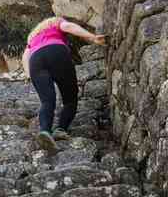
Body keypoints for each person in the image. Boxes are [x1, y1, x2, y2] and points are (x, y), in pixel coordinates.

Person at [22, 17, 106, 151]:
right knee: (70, 98)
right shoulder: (56, 22)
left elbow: (25, 56)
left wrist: (28, 74)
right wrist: (92, 37)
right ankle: (61, 129)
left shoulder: (33, 37)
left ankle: (45, 131)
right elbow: (68, 27)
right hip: (56, 51)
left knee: (47, 101)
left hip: (35, 60)